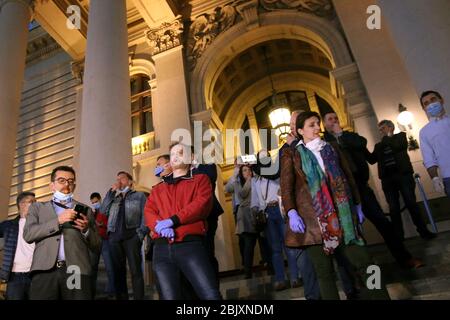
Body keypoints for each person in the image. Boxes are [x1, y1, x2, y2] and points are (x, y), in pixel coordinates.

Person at [280, 111, 390, 300]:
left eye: (317, 123)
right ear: (300, 131)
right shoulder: (292, 154)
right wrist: (291, 212)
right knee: (324, 273)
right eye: (311, 125)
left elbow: (348, 176)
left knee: (368, 263)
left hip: (344, 215)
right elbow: (286, 186)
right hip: (314, 222)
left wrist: (356, 204)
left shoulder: (331, 147)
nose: (317, 128)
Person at [323, 111, 424, 269]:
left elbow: (361, 144)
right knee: (351, 232)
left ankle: (405, 258)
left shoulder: (349, 136)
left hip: (361, 188)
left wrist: (341, 134)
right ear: (324, 124)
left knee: (383, 222)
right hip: (342, 192)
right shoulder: (323, 142)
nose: (334, 121)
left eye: (336, 118)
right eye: (330, 119)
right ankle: (360, 271)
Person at [145, 143, 221, 300]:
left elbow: (201, 204)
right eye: (172, 154)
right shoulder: (158, 189)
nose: (176, 156)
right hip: (162, 248)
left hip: (189, 245)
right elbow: (149, 211)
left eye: (181, 152)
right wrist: (159, 227)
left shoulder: (200, 179)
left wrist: (173, 220)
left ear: (191, 157)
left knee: (209, 294)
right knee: (169, 297)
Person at [24, 166, 100, 299]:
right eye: (61, 180)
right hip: (44, 271)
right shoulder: (37, 208)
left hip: (76, 270)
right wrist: (58, 221)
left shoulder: (86, 210)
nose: (67, 184)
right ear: (52, 185)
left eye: (71, 181)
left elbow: (97, 245)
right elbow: (29, 234)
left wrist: (86, 230)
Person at [367, 120, 436, 240]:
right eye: (380, 129)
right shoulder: (379, 145)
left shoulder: (400, 137)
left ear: (390, 127)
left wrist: (388, 137)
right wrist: (362, 149)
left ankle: (423, 231)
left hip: (403, 175)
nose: (381, 131)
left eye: (383, 128)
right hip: (388, 180)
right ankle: (399, 237)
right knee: (393, 208)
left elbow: (398, 146)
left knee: (411, 203)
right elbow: (372, 160)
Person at [251, 150, 298, 291]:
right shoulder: (255, 180)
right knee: (275, 249)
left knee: (289, 245)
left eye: (266, 156)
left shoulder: (277, 173)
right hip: (267, 213)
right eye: (261, 157)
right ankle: (280, 279)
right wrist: (256, 212)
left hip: (280, 209)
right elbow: (254, 201)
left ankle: (295, 277)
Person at [100, 171, 149, 300]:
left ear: (130, 182)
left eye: (122, 178)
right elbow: (103, 210)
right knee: (118, 272)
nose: (119, 181)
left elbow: (146, 215)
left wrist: (140, 234)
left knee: (135, 271)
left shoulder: (139, 196)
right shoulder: (114, 198)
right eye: (117, 179)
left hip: (132, 237)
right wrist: (111, 192)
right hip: (114, 238)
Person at [0, 192, 36, 300]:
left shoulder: (40, 225)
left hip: (35, 276)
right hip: (14, 277)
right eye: (32, 202)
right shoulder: (8, 225)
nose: (36, 205)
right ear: (22, 204)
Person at [226, 164, 258, 279]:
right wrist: (237, 173)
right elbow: (241, 194)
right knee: (248, 244)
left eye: (249, 170)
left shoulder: (256, 179)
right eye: (244, 170)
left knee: (257, 242)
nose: (247, 172)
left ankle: (267, 265)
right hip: (244, 216)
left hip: (256, 215)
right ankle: (247, 270)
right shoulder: (237, 182)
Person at [419, 90, 450, 198]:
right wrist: (435, 178)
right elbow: (429, 159)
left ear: (441, 100)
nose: (431, 104)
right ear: (424, 108)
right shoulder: (425, 132)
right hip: (448, 177)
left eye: (433, 100)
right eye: (426, 103)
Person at [89, 192, 115, 299]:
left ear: (100, 199)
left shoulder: (107, 210)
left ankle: (111, 290)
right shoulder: (92, 213)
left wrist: (102, 224)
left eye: (96, 201)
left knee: (110, 267)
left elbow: (112, 223)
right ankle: (92, 290)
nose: (95, 204)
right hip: (95, 241)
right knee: (92, 267)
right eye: (93, 202)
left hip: (105, 241)